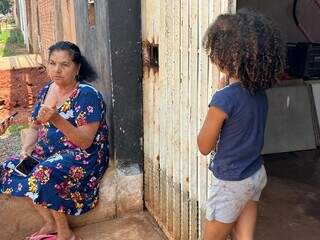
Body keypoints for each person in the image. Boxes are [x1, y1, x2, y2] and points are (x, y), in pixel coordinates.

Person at [0, 41, 109, 240]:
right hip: (49, 151)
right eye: (52, 63)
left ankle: (65, 233)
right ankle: (49, 223)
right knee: (10, 167)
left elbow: (85, 142)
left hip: (83, 155)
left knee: (43, 172)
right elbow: (34, 126)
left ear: (77, 68)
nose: (57, 70)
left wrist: (57, 119)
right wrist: (26, 149)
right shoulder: (47, 90)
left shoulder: (87, 95)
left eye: (65, 65)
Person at [198, 9, 285, 240]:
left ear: (226, 56)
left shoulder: (223, 99)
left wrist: (218, 98)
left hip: (231, 183)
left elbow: (204, 146)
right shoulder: (259, 93)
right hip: (255, 175)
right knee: (245, 238)